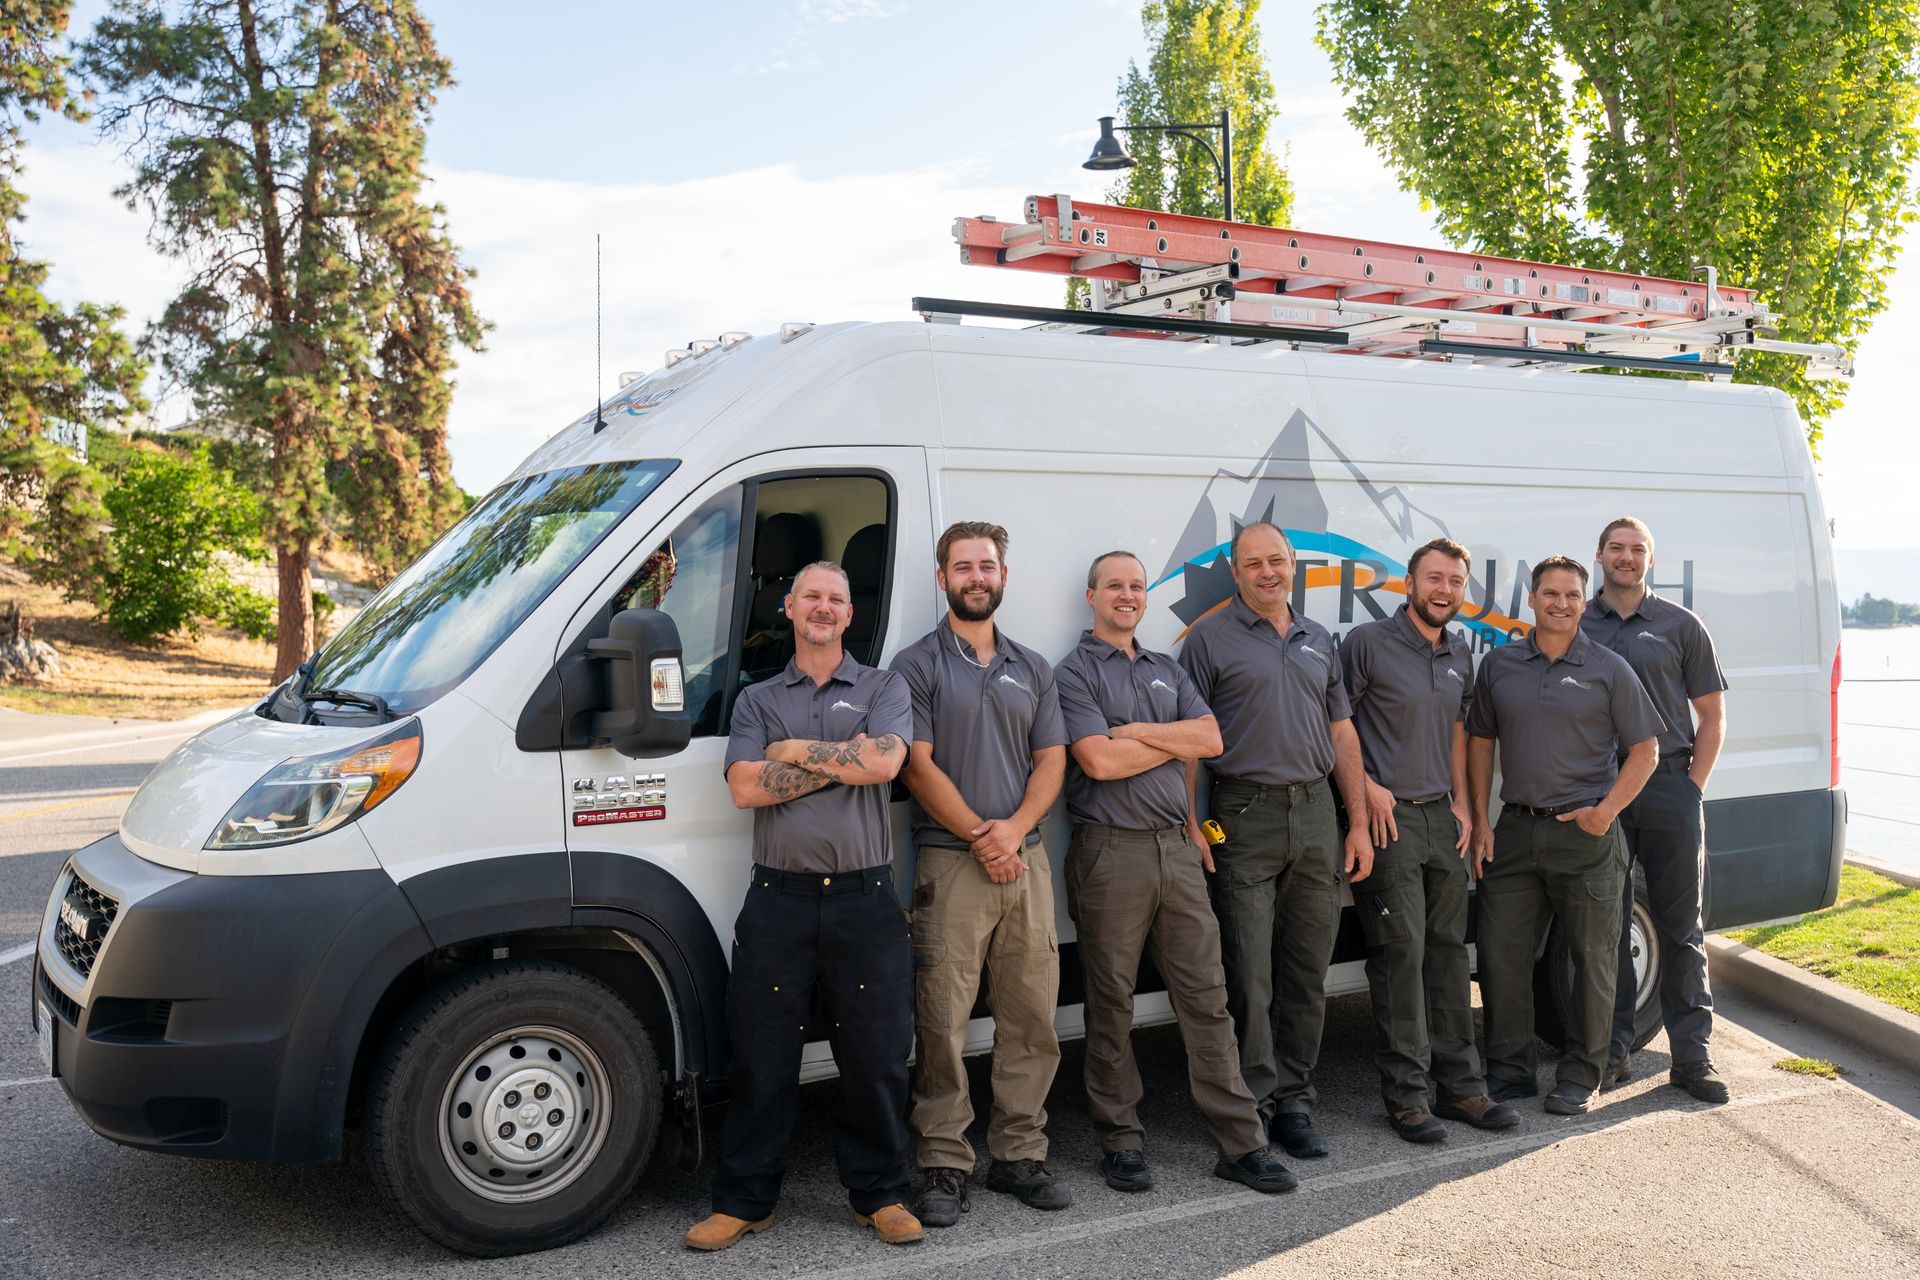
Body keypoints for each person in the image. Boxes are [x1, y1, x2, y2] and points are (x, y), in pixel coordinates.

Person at [686, 562, 922, 1252]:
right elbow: (745, 788)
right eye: (812, 597)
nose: (824, 608)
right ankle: (743, 1202)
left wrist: (790, 755)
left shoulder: (885, 686)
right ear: (789, 607)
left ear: (851, 615)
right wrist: (838, 758)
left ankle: (881, 1194)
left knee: (876, 1057)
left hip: (865, 898)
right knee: (761, 1058)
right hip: (778, 900)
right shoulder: (758, 698)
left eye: (836, 599)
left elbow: (884, 765)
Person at [1055, 550, 1298, 1195]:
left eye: (1136, 586)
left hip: (1178, 848)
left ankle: (1241, 1145)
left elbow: (1211, 741)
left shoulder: (1167, 666)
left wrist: (1135, 734)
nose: (1127, 595)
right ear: (1092, 595)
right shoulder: (1071, 672)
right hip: (1112, 851)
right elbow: (1098, 764)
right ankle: (1122, 1140)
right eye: (1114, 585)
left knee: (1207, 998)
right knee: (1110, 1003)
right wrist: (1169, 735)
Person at [891, 521, 1069, 1226]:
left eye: (986, 565)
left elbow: (1052, 760)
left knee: (1032, 1016)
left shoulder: (1033, 666)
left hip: (1025, 862)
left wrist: (1015, 832)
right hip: (951, 862)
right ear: (942, 579)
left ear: (1003, 576)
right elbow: (916, 762)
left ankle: (1021, 1154)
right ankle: (943, 1163)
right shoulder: (917, 665)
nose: (975, 576)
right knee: (943, 1020)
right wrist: (979, 835)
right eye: (962, 566)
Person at [1177, 521, 1374, 1159]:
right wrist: (1188, 821)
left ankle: (1296, 1101)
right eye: (1253, 563)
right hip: (1244, 813)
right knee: (1250, 974)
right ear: (1235, 572)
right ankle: (1255, 1104)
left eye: (1277, 561)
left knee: (1305, 969)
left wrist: (1359, 820)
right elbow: (1190, 743)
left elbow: (1342, 733)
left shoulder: (1320, 638)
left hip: (1318, 810)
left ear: (1294, 567)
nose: (1267, 572)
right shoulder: (1207, 639)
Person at [1465, 556, 1663, 1116]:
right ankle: (1508, 1072)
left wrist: (1605, 813)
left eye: (1572, 595)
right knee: (1500, 954)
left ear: (1584, 600)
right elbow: (1480, 741)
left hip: (1587, 835)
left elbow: (1646, 750)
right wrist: (1480, 818)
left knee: (1594, 957)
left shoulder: (1608, 667)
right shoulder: (1500, 666)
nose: (1561, 603)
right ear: (1531, 600)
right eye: (1550, 593)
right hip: (1516, 830)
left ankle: (1583, 1075)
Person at [1339, 538, 1520, 1142]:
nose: (1445, 590)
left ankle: (1463, 1091)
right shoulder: (1367, 645)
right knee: (1401, 956)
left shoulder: (1458, 650)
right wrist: (1365, 790)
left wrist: (1465, 804)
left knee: (1448, 953)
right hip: (1388, 822)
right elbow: (1333, 726)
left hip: (1441, 820)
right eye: (1434, 579)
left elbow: (1459, 729)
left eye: (1455, 582)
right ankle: (1407, 1098)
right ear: (1409, 584)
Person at [1581, 516, 1730, 1102]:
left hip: (1669, 786)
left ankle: (1693, 1058)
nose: (1626, 557)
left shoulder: (1680, 625)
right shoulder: (1576, 622)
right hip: (1602, 791)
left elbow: (1712, 717)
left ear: (1651, 559)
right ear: (1599, 556)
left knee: (1680, 927)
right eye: (1616, 548)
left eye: (1637, 549)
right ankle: (1612, 1053)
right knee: (1607, 927)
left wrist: (1691, 787)